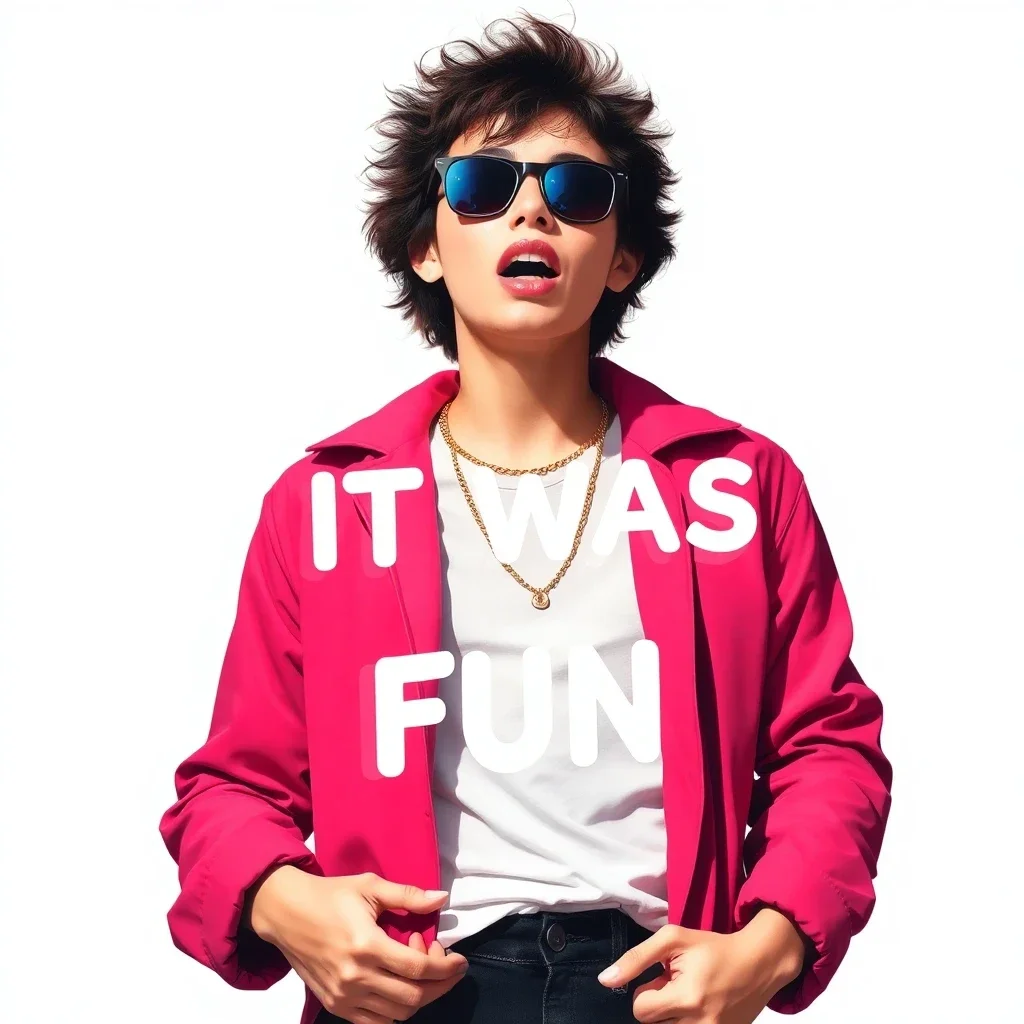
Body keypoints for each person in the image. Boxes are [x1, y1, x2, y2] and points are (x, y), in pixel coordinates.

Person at [159, 13, 893, 1024]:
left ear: (623, 256)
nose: (532, 210)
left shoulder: (735, 486)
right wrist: (282, 901)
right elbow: (233, 785)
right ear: (426, 245)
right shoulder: (325, 504)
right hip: (421, 988)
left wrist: (769, 944)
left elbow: (828, 744)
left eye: (577, 189)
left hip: (655, 988)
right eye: (482, 185)